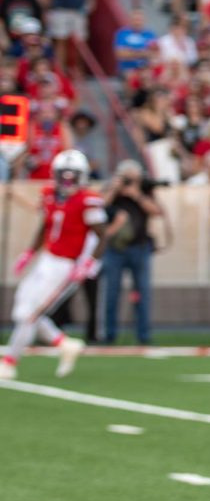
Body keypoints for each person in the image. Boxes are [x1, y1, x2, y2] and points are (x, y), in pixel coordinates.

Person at [0, 151, 103, 381]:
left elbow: (101, 235)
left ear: (81, 176)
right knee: (22, 309)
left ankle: (9, 363)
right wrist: (29, 252)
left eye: (72, 177)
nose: (67, 182)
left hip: (66, 266)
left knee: (29, 315)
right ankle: (63, 343)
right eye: (63, 176)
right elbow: (45, 226)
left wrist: (89, 262)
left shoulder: (87, 200)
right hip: (48, 259)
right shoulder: (48, 194)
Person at [102, 160, 164, 346]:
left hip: (140, 247)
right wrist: (114, 189)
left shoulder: (144, 189)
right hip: (115, 249)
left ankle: (143, 335)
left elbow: (157, 211)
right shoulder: (112, 189)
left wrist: (136, 195)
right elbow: (98, 205)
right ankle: (109, 334)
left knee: (142, 293)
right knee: (111, 293)